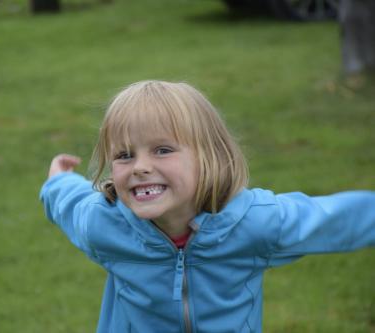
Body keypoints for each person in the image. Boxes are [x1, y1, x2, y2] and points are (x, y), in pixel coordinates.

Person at [40, 80, 375, 333]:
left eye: (162, 150)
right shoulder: (105, 224)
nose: (140, 166)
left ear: (209, 157)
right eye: (125, 155)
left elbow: (334, 219)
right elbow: (70, 202)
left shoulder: (253, 222)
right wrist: (57, 180)